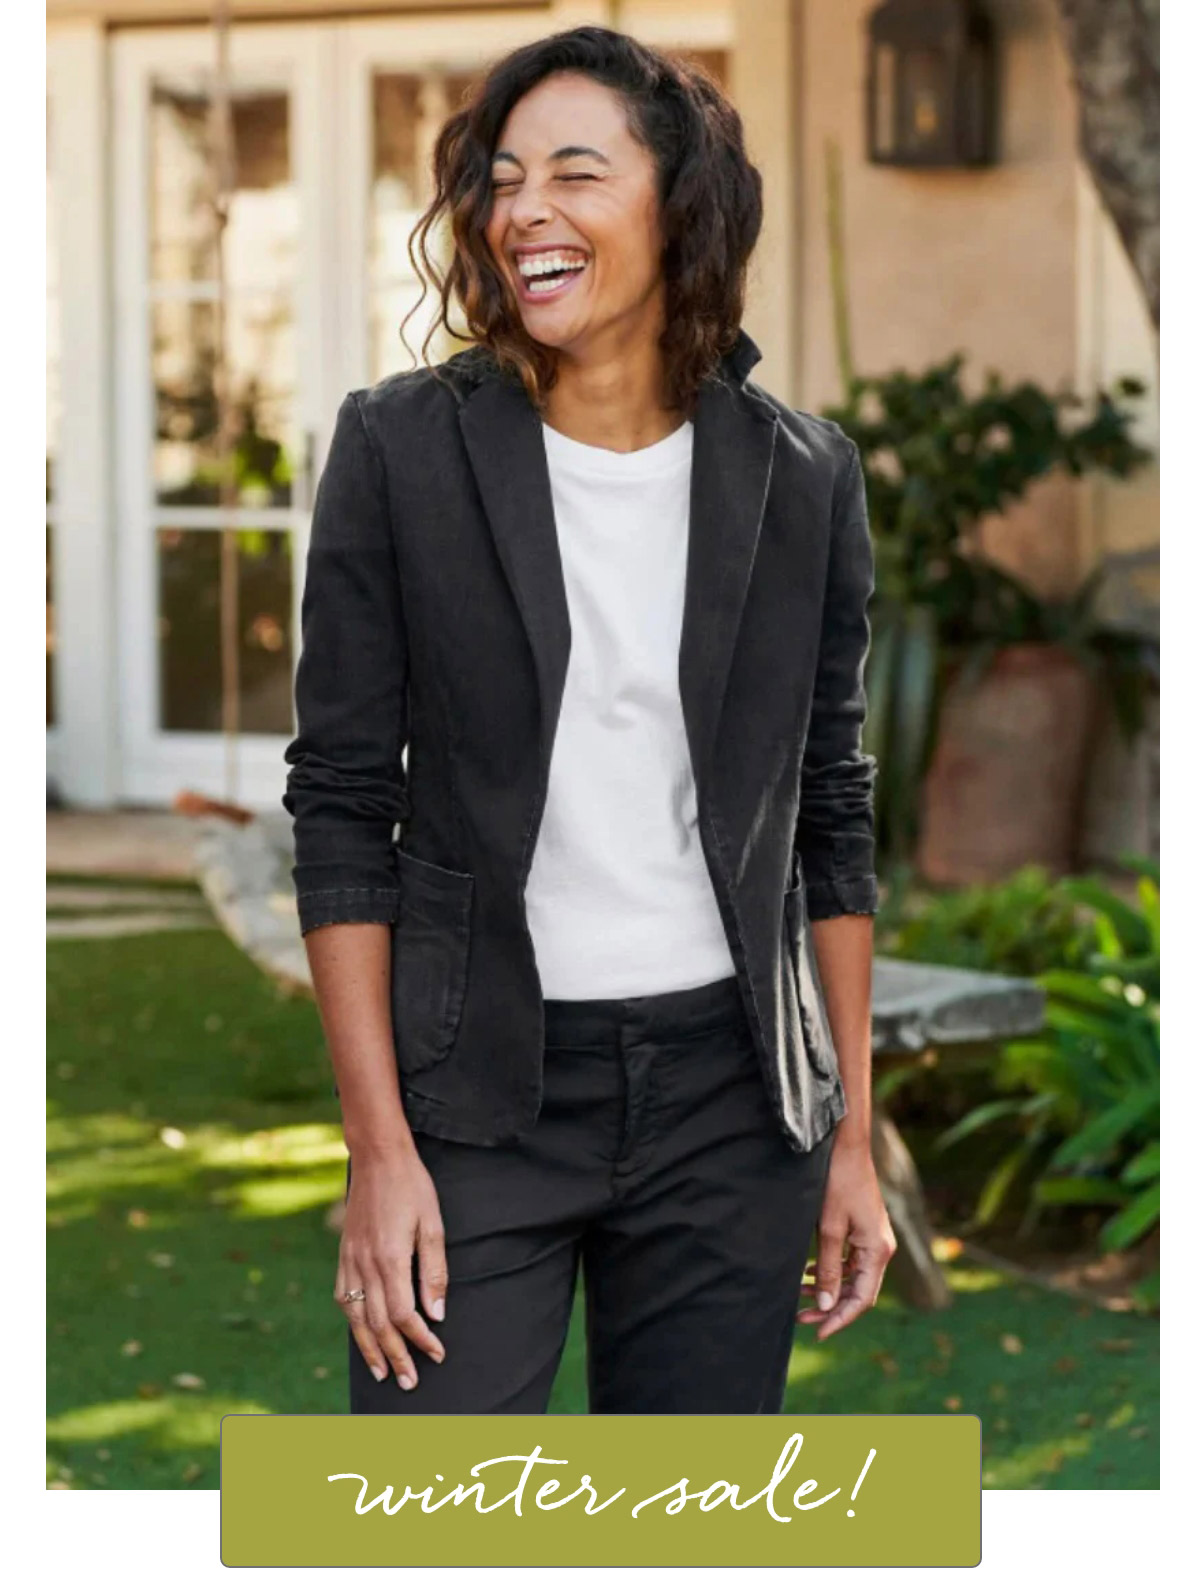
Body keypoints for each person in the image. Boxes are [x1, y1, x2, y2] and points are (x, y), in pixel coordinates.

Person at [282, 24, 895, 1416]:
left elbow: (833, 818)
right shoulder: (400, 453)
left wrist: (849, 1131)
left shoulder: (803, 478)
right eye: (502, 180)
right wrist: (378, 1148)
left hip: (733, 1100)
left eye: (573, 171)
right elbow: (340, 807)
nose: (522, 212)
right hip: (476, 1088)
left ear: (677, 207)